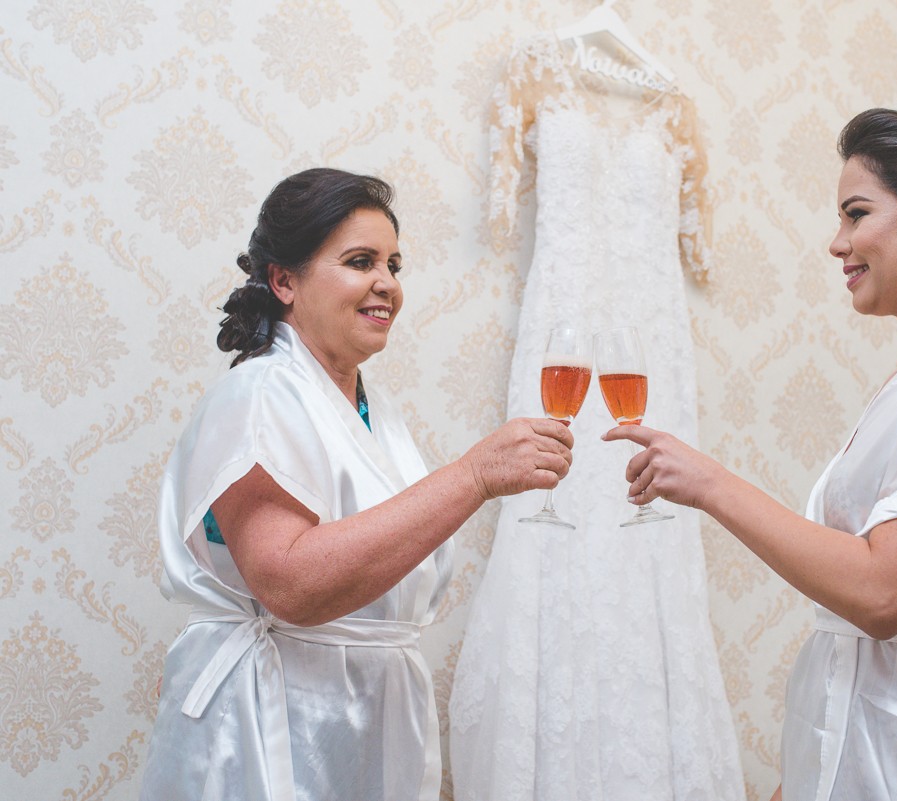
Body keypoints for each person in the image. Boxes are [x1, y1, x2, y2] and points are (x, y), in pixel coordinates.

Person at [604, 98, 897, 801]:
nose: (836, 242)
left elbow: (884, 595)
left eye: (857, 213)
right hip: (873, 739)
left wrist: (708, 482)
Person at [139, 168, 574, 801]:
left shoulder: (377, 414)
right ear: (284, 281)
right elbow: (290, 583)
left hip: (364, 721)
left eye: (394, 265)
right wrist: (474, 476)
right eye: (360, 261)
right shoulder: (258, 395)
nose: (387, 285)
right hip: (276, 720)